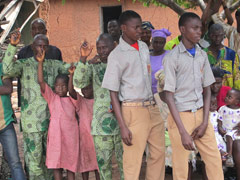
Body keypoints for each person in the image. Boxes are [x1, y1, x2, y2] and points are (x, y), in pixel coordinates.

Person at [102, 10, 165, 180]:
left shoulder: (144, 47)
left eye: (141, 26)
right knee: (133, 160)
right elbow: (113, 93)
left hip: (152, 107)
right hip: (132, 110)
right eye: (136, 27)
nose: (140, 30)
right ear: (123, 28)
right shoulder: (116, 55)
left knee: (159, 154)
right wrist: (122, 126)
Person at [162, 12, 223, 180]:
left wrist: (205, 122)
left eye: (200, 28)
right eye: (194, 28)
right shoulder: (172, 58)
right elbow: (168, 96)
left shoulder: (202, 55)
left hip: (201, 115)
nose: (199, 32)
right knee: (181, 165)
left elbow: (208, 89)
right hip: (180, 116)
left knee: (214, 159)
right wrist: (182, 132)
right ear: (183, 29)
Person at [2, 31, 70, 179]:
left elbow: (73, 69)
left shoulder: (55, 65)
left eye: (45, 46)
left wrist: (85, 61)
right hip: (32, 124)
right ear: (32, 47)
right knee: (34, 164)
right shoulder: (23, 64)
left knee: (51, 162)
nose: (42, 49)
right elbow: (6, 69)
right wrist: (12, 46)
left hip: (52, 123)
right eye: (39, 45)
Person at [73, 33, 124, 180]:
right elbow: (78, 82)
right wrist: (84, 59)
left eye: (105, 47)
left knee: (125, 165)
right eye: (99, 48)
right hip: (101, 126)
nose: (102, 51)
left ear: (114, 46)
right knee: (104, 166)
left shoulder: (122, 63)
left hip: (123, 123)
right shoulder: (94, 66)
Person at [37, 49, 79, 180]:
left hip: (70, 137)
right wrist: (40, 63)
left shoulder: (73, 98)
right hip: (55, 137)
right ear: (54, 86)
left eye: (64, 86)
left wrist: (71, 75)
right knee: (56, 166)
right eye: (57, 86)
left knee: (70, 166)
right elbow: (41, 82)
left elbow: (71, 90)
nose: (60, 89)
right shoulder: (52, 98)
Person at [17, 18, 62, 108]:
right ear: (31, 32)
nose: (37, 31)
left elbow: (61, 76)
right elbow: (19, 79)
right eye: (34, 28)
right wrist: (20, 102)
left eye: (40, 28)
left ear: (45, 31)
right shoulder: (23, 52)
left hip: (51, 100)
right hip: (30, 102)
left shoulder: (55, 51)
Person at [0, 51, 26, 180]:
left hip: (5, 123)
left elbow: (8, 89)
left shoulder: (3, 68)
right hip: (5, 123)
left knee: (15, 162)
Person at [204, 23, 240, 89]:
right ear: (209, 35)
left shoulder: (232, 54)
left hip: (227, 97)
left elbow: (237, 79)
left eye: (220, 35)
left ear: (224, 35)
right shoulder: (202, 54)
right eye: (214, 35)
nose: (217, 38)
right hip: (208, 96)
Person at [77, 83, 100, 180]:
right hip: (84, 140)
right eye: (83, 88)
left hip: (97, 140)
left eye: (88, 87)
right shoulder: (80, 102)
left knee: (98, 165)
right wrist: (72, 74)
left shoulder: (99, 101)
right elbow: (72, 91)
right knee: (84, 164)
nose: (85, 90)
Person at [218, 89, 240, 167]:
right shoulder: (222, 109)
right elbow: (219, 120)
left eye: (229, 97)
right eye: (227, 96)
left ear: (236, 101)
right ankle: (227, 159)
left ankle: (229, 155)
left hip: (235, 132)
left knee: (230, 135)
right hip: (225, 132)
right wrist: (220, 128)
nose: (226, 98)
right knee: (228, 135)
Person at [150, 28, 171, 95]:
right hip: (150, 94)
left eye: (161, 43)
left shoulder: (169, 55)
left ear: (165, 43)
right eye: (156, 42)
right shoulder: (146, 57)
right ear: (151, 41)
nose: (158, 45)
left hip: (165, 94)